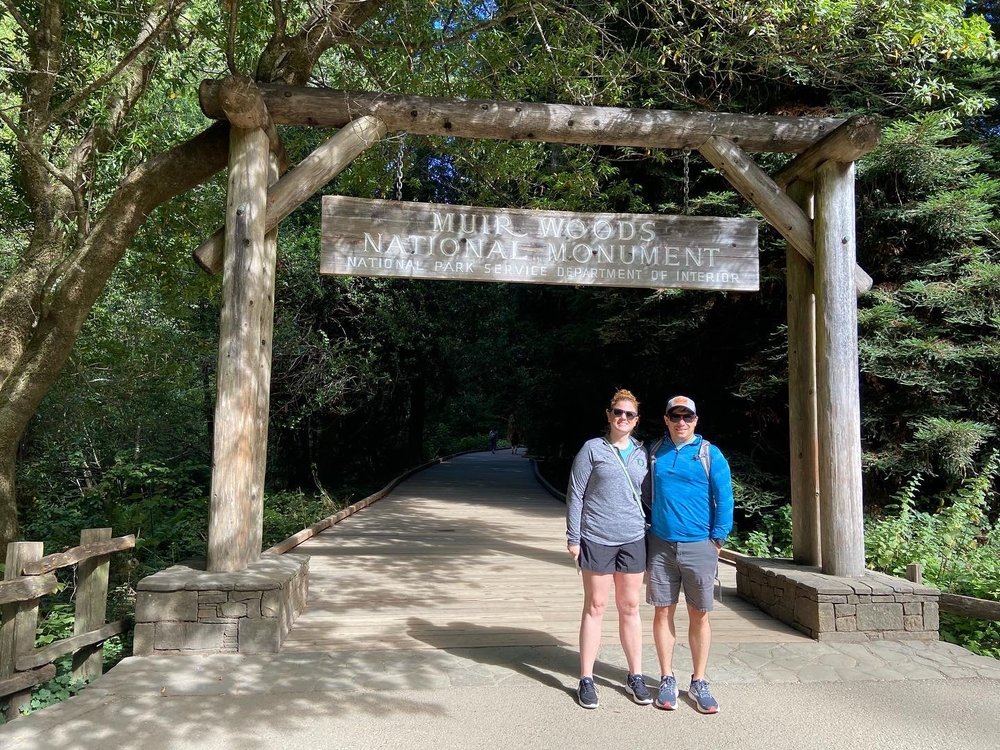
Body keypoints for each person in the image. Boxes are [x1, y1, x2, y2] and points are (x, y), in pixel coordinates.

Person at [645, 395, 734, 714]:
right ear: (666, 419)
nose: (681, 422)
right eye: (675, 416)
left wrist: (717, 539)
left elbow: (725, 497)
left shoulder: (710, 453)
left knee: (699, 613)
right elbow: (645, 492)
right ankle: (667, 677)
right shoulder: (655, 452)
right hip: (661, 544)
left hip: (700, 545)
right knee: (662, 611)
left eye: (687, 417)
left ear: (696, 420)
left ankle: (699, 680)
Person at [566, 389, 652, 709]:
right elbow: (576, 493)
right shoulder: (592, 449)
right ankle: (586, 678)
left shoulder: (643, 453)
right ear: (609, 415)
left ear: (636, 420)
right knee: (596, 606)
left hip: (633, 538)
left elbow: (651, 495)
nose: (623, 418)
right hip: (597, 537)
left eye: (629, 414)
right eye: (618, 412)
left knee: (630, 606)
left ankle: (635, 675)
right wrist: (573, 537)